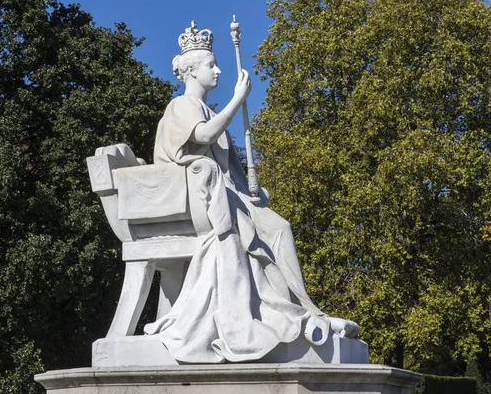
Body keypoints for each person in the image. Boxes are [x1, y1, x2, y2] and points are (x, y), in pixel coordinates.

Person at [144, 21, 359, 363]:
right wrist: (237, 99)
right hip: (204, 204)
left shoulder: (211, 110)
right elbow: (203, 137)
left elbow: (231, 172)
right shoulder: (180, 106)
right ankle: (282, 315)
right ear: (190, 71)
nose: (217, 70)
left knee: (280, 228)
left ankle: (307, 310)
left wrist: (253, 192)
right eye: (210, 65)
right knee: (251, 234)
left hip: (229, 198)